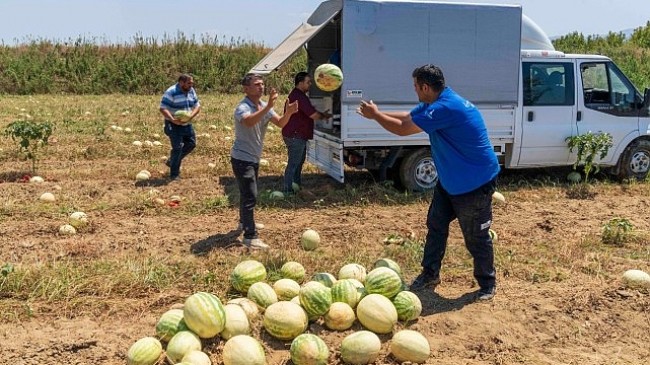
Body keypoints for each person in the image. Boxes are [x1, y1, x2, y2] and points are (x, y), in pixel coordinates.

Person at [357, 64, 500, 301]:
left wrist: (376, 116)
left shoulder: (446, 107)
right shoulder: (435, 102)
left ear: (425, 87)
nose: (414, 90)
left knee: (475, 236)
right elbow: (408, 118)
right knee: (436, 225)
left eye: (415, 86)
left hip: (473, 182)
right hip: (450, 179)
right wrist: (379, 113)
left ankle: (487, 283)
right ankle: (430, 273)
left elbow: (403, 130)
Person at [231, 73, 298, 249]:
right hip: (241, 158)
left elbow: (281, 123)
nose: (261, 87)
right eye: (257, 84)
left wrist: (289, 112)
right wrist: (268, 105)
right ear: (246, 89)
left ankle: (243, 222)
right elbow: (248, 122)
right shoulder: (242, 107)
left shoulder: (263, 106)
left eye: (262, 84)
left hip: (253, 157)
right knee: (250, 195)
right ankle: (250, 236)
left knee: (247, 193)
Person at [282, 72, 331, 193]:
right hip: (296, 135)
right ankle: (287, 190)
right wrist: (324, 116)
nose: (310, 85)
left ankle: (295, 186)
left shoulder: (297, 95)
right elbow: (313, 115)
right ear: (300, 83)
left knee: (298, 163)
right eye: (308, 82)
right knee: (294, 164)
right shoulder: (300, 97)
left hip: (296, 134)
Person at [159, 74, 201, 181]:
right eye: (189, 83)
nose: (191, 85)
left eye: (192, 83)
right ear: (181, 82)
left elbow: (197, 105)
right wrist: (172, 119)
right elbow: (163, 108)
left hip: (186, 124)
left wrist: (191, 115)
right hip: (173, 124)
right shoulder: (171, 92)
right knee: (177, 148)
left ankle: (172, 161)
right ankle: (174, 174)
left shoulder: (191, 90)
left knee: (191, 144)